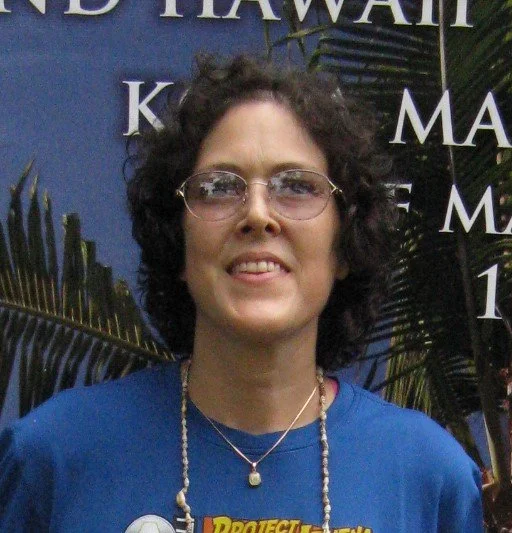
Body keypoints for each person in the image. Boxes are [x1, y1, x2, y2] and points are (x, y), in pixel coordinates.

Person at [0, 55, 483, 533]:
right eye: (218, 187)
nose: (257, 214)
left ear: (345, 242)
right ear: (177, 240)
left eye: (296, 186)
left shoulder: (427, 477)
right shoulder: (56, 458)